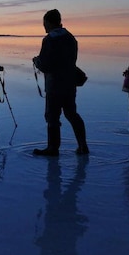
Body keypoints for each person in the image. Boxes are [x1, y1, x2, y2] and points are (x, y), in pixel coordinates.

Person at [32, 9, 89, 156]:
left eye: (44, 23)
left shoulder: (49, 39)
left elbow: (45, 65)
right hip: (69, 84)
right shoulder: (70, 38)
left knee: (52, 116)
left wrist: (37, 61)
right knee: (71, 114)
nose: (44, 27)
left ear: (50, 22)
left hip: (54, 85)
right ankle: (83, 145)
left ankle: (53, 148)